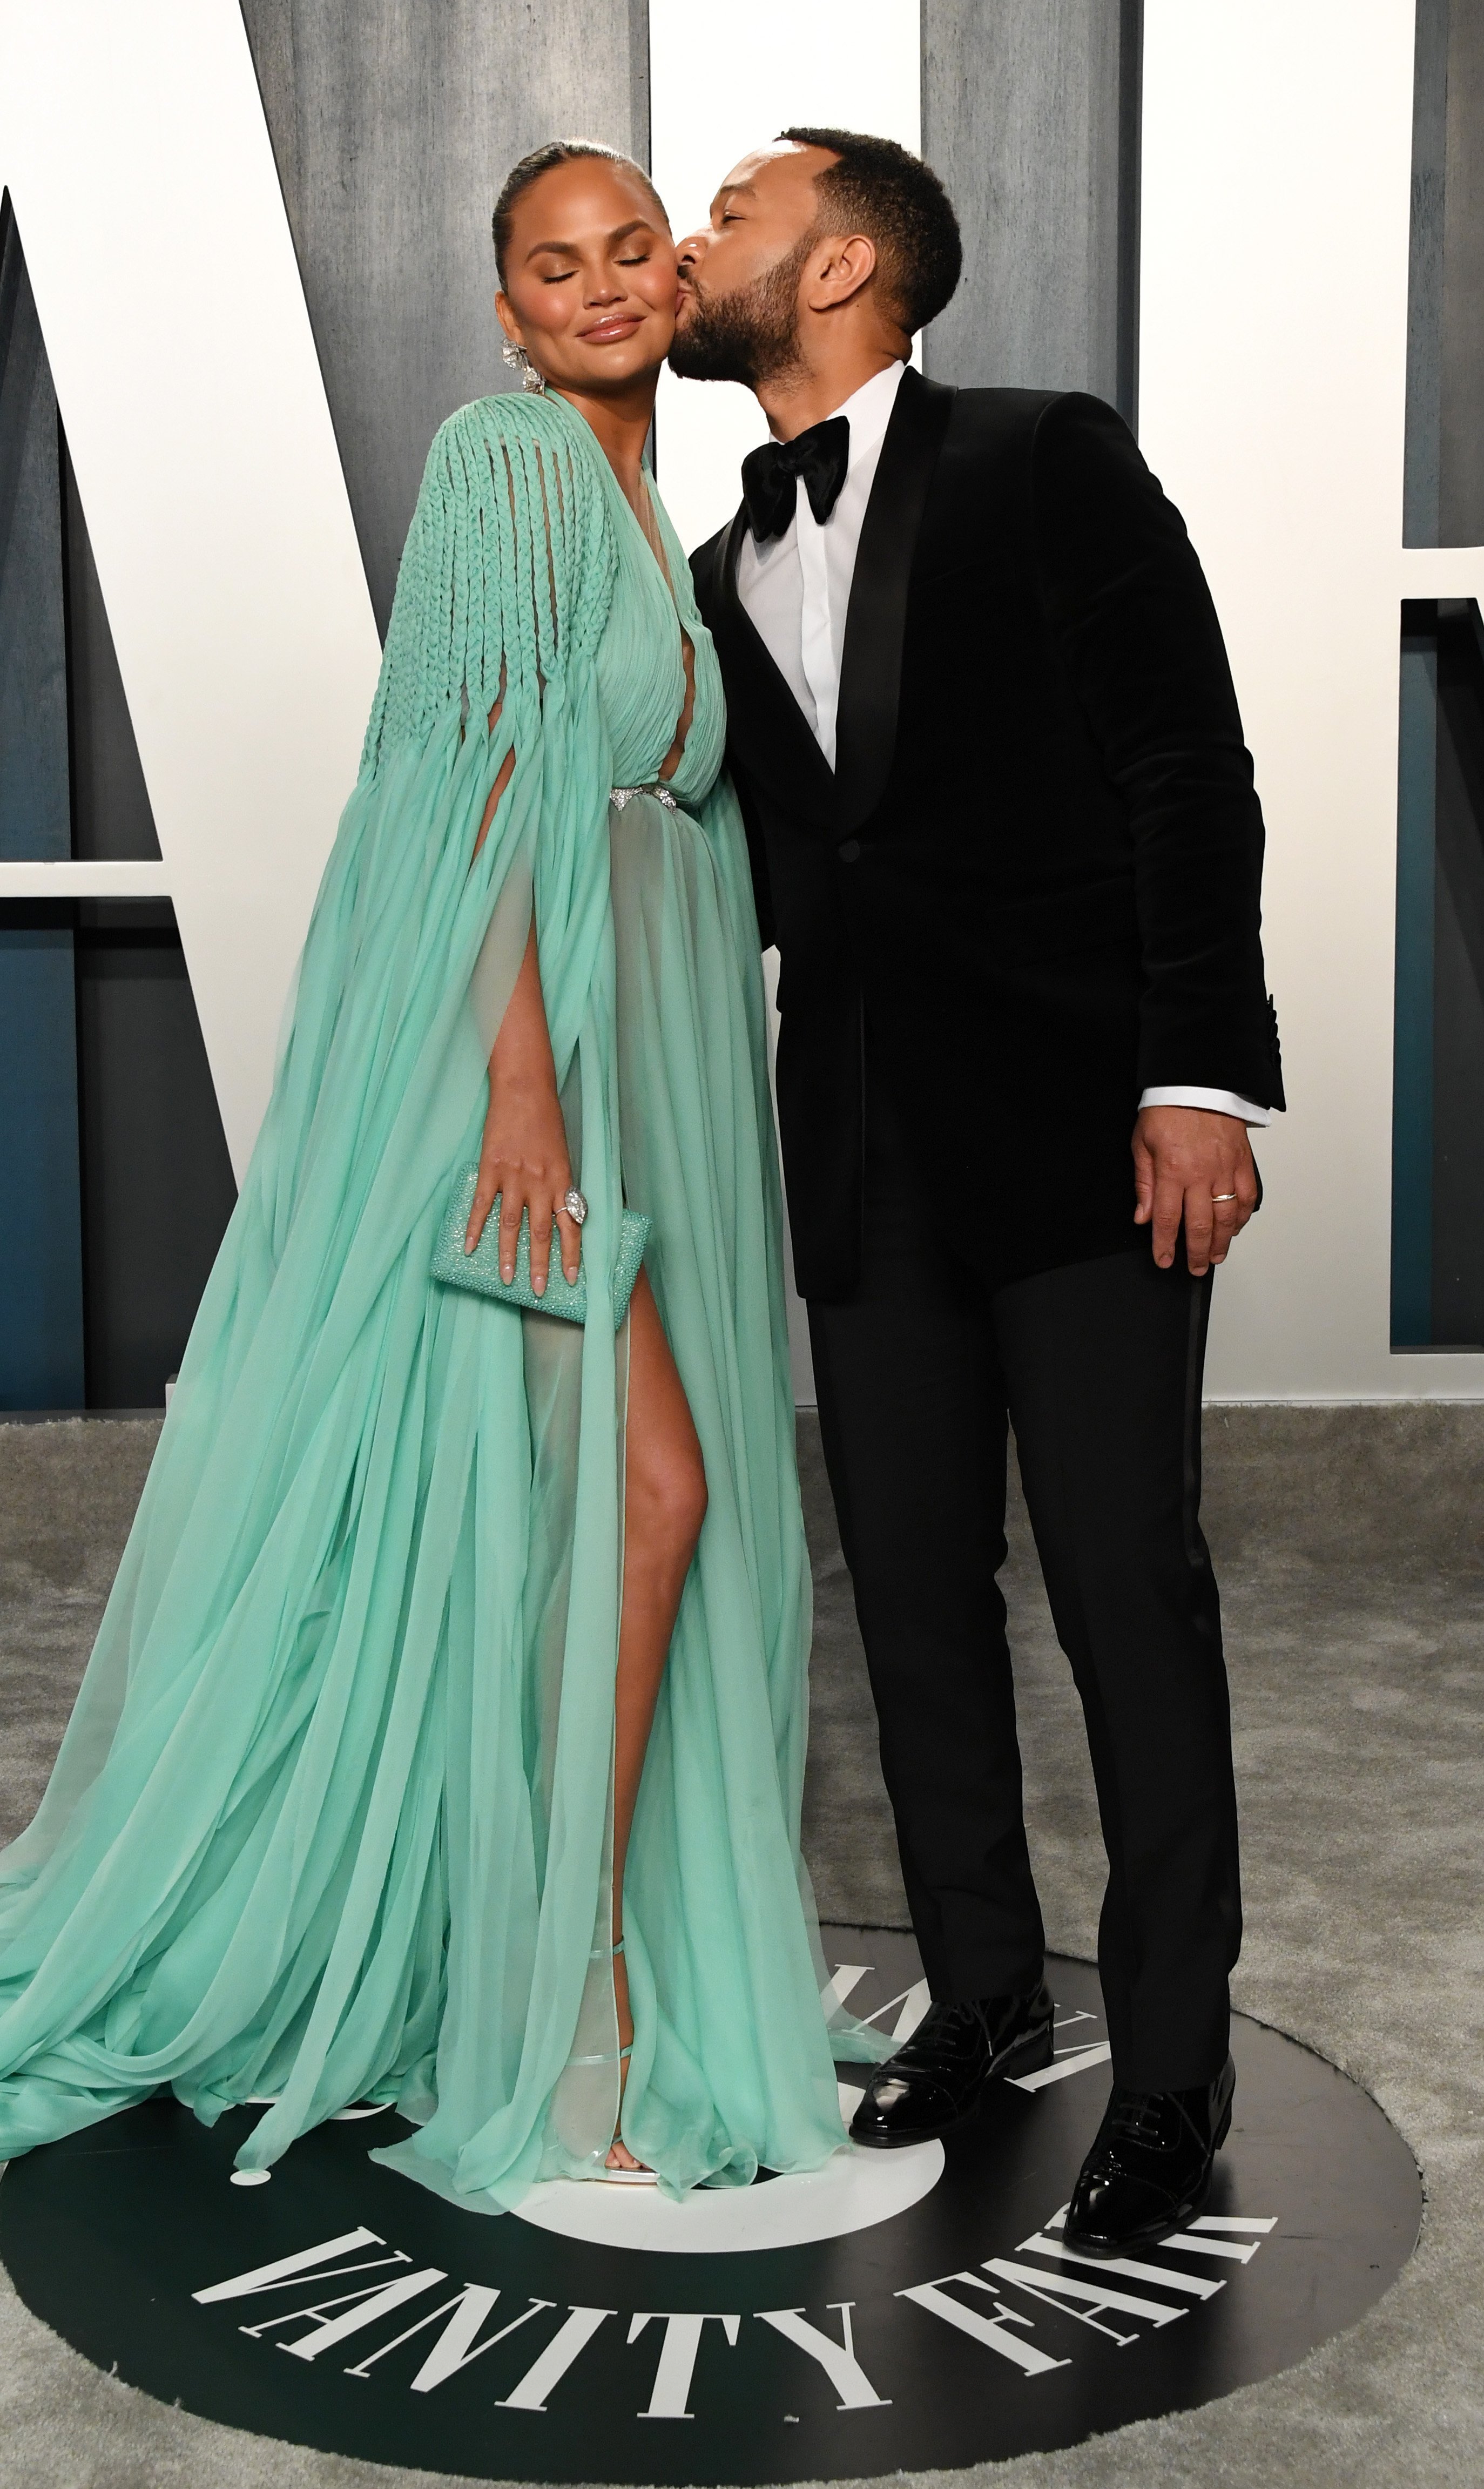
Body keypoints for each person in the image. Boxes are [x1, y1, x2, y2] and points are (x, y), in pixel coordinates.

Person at [0, 141, 879, 2200]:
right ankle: (574, 1978)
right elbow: (478, 768)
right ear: (502, 311)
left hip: (637, 1044)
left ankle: (544, 1951)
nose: (597, 287)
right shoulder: (505, 465)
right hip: (536, 1057)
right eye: (551, 266)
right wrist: (519, 1087)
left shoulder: (657, 503)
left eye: (631, 251)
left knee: (582, 1509)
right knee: (636, 1497)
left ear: (681, 281)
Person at [677, 129, 1285, 2254]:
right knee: (914, 1600)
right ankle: (989, 1993)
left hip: (1088, 1131)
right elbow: (778, 865)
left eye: (730, 214)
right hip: (859, 1153)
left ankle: (1178, 2074)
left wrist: (1199, 1072)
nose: (689, 240)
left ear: (842, 262)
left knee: (1132, 1590)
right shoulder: (712, 564)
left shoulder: (1046, 460)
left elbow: (1185, 766)